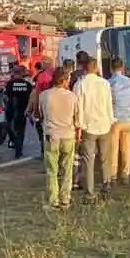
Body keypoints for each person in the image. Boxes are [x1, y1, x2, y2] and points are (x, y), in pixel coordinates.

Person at [73, 58, 114, 199]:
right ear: (96, 67)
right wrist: (110, 121)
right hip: (104, 124)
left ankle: (90, 193)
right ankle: (106, 184)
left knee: (88, 161)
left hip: (88, 126)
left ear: (84, 68)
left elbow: (78, 108)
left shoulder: (80, 84)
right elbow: (109, 104)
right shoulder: (105, 83)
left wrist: (78, 126)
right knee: (105, 158)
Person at [38, 69, 78, 210]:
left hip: (52, 135)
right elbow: (76, 117)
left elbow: (40, 115)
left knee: (52, 170)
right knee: (67, 169)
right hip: (68, 135)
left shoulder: (44, 95)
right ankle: (65, 199)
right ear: (64, 80)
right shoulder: (72, 96)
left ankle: (53, 200)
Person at [106, 57, 130, 185]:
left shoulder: (109, 83)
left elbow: (107, 103)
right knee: (126, 148)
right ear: (122, 67)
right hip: (128, 119)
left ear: (111, 68)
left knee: (113, 149)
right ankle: (125, 174)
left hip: (115, 120)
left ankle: (113, 175)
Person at [2, 64, 36, 158]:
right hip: (22, 111)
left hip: (10, 111)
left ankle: (13, 142)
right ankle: (18, 151)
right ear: (22, 74)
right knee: (20, 131)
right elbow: (32, 98)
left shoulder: (9, 84)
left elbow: (5, 97)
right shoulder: (27, 85)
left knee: (11, 129)